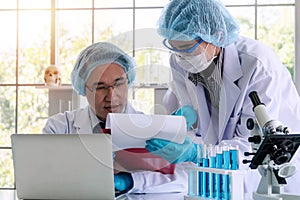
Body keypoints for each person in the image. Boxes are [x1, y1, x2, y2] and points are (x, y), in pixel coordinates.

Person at [145, 0, 300, 194]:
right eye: (175, 49)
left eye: (187, 47)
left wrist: (197, 152)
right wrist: (183, 130)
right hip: (216, 173)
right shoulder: (180, 62)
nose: (181, 57)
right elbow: (198, 130)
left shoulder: (257, 64)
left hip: (269, 171)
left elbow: (253, 145)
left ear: (216, 36)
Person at [42, 42, 190, 193]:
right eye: (100, 87)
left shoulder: (153, 128)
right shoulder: (60, 127)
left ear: (129, 82)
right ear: (83, 88)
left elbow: (184, 181)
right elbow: (43, 178)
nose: (111, 96)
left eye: (119, 84)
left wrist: (131, 181)